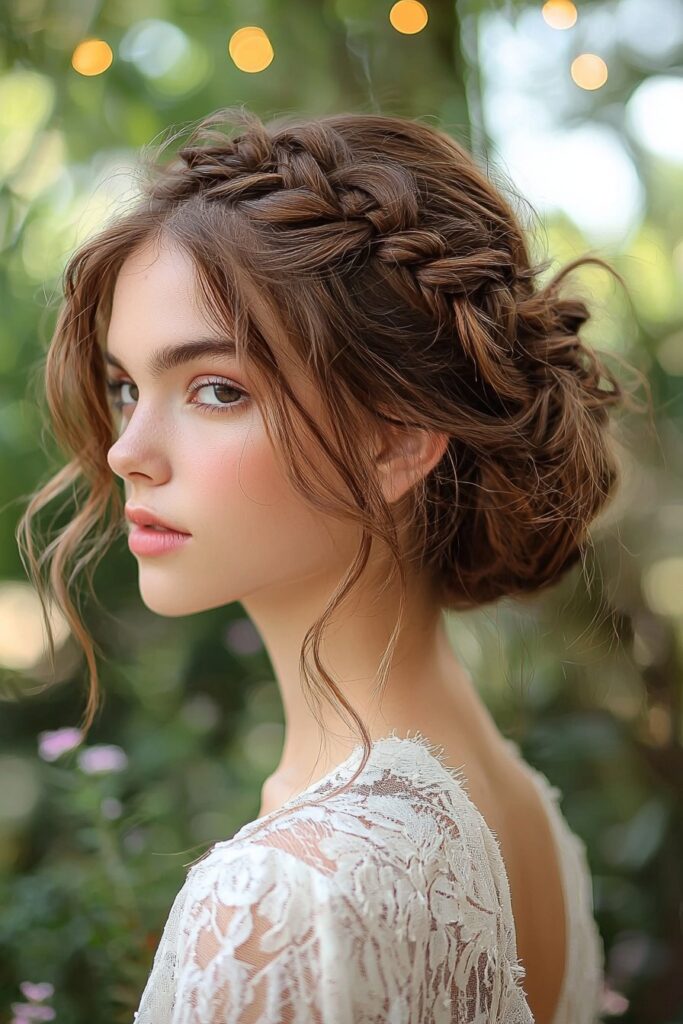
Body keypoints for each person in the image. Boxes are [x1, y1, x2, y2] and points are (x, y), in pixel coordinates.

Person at [17, 105, 639, 1023]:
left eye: (216, 389)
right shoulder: (518, 810)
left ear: (398, 438)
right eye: (124, 387)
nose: (126, 450)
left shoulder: (284, 897)